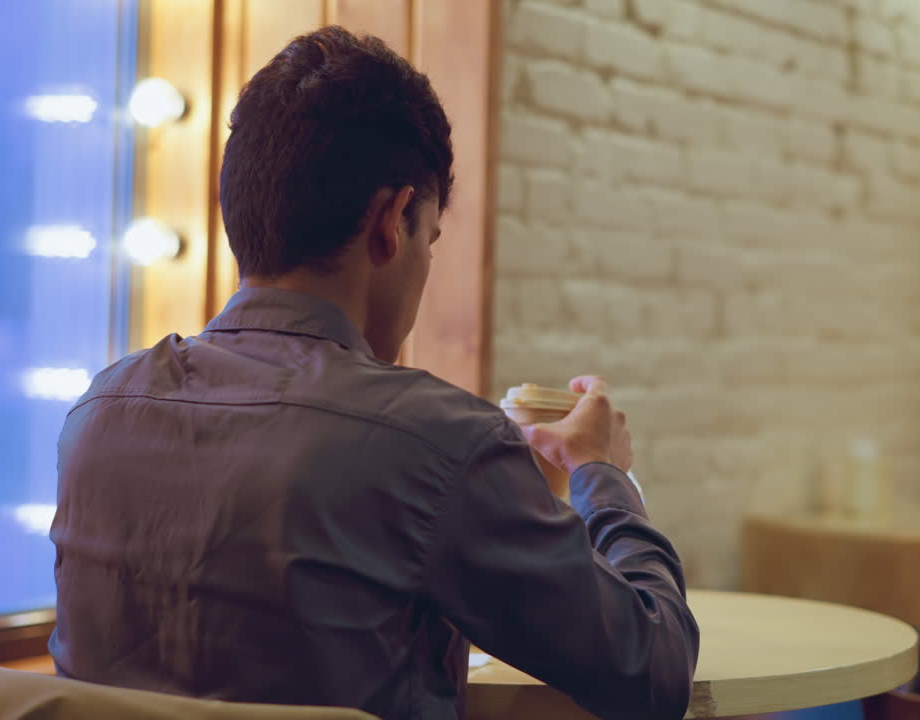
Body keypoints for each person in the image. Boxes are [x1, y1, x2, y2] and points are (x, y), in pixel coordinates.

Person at [49, 25, 698, 720]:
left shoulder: (98, 413)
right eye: (431, 240)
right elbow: (653, 672)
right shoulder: (435, 442)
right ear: (392, 221)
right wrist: (601, 470)